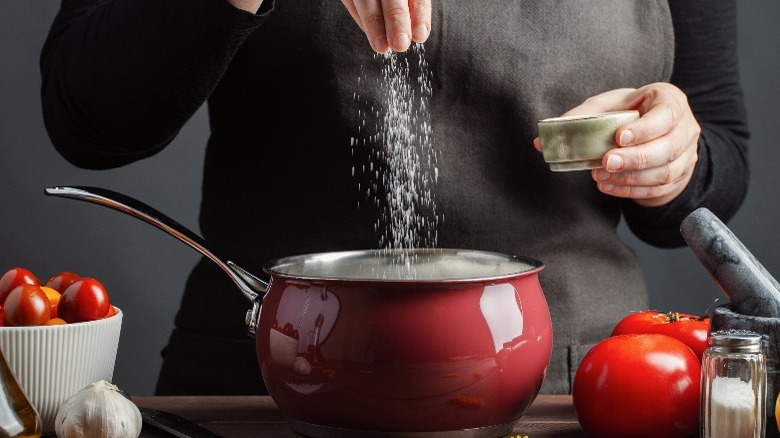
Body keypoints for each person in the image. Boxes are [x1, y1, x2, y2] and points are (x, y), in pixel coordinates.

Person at [40, 0, 748, 395]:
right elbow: (88, 120)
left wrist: (672, 158)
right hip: (266, 385)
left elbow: (719, 162)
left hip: (567, 391)